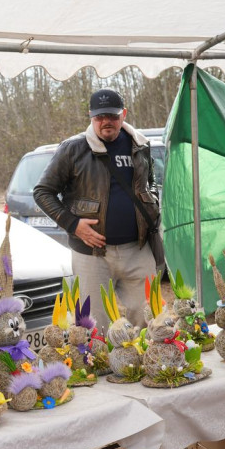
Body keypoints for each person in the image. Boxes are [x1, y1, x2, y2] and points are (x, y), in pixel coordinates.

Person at [33, 88, 164, 333]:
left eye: (112, 116)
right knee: (95, 327)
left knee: (150, 318)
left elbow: (150, 183)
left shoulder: (140, 144)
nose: (106, 122)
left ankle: (151, 368)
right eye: (99, 116)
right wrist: (73, 225)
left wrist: (152, 207)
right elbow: (42, 192)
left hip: (138, 249)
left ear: (123, 114)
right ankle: (102, 369)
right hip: (92, 256)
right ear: (90, 116)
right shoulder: (72, 149)